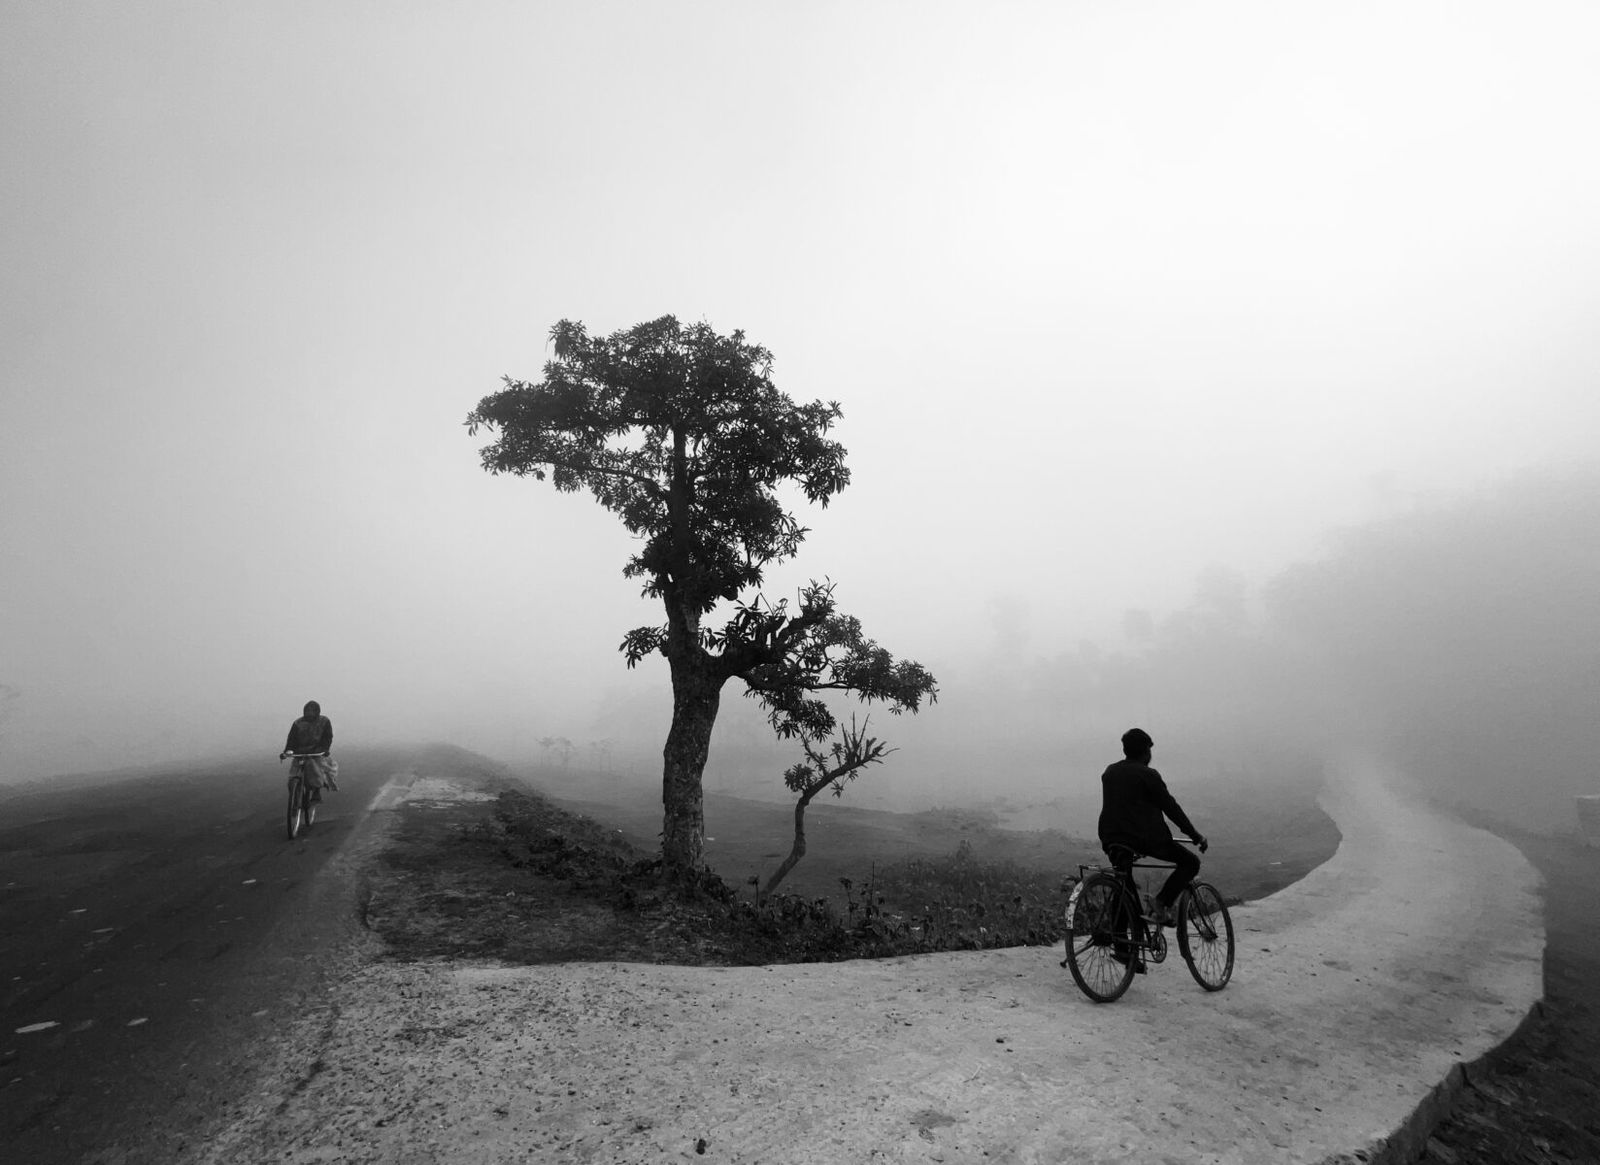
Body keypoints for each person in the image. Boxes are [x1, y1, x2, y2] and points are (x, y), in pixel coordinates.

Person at [1097, 727, 1207, 929]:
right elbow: (1171, 808)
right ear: (1146, 751)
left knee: (1124, 885)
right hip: (1143, 838)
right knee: (1190, 863)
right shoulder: (1148, 774)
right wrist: (1194, 835)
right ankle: (1161, 902)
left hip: (1111, 837)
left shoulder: (1110, 772)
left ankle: (1123, 946)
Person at [280, 699, 337, 801]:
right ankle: (294, 802)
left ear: (317, 712)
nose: (309, 713)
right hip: (299, 753)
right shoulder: (298, 723)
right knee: (292, 779)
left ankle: (316, 792)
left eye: (312, 711)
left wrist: (324, 749)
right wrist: (287, 751)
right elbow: (291, 739)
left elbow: (327, 737)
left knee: (316, 771)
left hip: (316, 752)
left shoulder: (324, 722)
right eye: (307, 711)